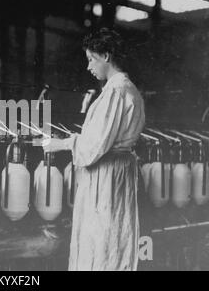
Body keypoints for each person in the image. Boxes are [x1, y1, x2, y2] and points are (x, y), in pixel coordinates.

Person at [42, 28, 145, 271]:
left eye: (91, 59)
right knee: (113, 242)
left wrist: (59, 144)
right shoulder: (128, 89)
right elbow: (101, 137)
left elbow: (93, 147)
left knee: (102, 246)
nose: (89, 67)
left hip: (106, 176)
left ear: (106, 56)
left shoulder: (116, 91)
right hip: (116, 173)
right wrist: (73, 139)